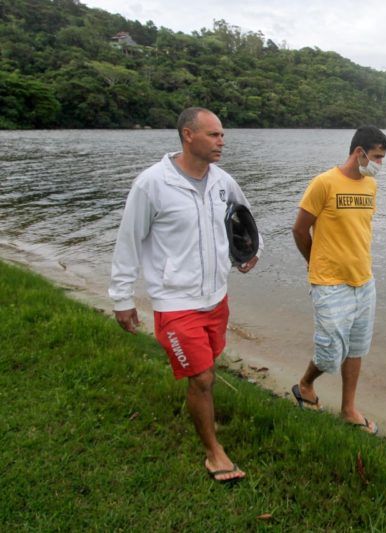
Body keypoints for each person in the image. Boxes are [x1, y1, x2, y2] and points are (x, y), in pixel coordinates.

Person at [109, 107, 262, 483]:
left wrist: (249, 251)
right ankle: (214, 452)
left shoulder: (223, 181)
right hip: (175, 301)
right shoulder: (152, 184)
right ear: (187, 135)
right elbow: (129, 240)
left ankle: (199, 405)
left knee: (206, 369)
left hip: (216, 296)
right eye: (213, 135)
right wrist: (122, 298)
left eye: (222, 135)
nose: (221, 142)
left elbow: (243, 217)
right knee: (203, 378)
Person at [291, 126, 386, 434]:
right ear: (359, 152)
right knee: (330, 350)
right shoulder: (324, 183)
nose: (379, 164)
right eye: (376, 157)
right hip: (330, 282)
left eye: (382, 158)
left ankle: (348, 409)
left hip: (364, 280)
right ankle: (305, 384)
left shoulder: (370, 186)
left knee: (357, 347)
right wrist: (316, 265)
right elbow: (299, 230)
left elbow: (360, 231)